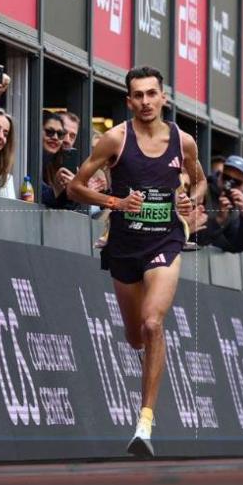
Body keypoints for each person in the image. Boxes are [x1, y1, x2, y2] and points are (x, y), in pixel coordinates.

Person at [67, 66, 204, 458]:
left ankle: (145, 422)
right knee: (133, 337)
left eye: (151, 94)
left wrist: (189, 199)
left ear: (164, 97)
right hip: (124, 246)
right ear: (129, 101)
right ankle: (146, 355)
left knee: (152, 323)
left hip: (166, 241)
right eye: (137, 96)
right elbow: (76, 187)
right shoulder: (115, 140)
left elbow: (200, 181)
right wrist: (115, 202)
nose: (145, 102)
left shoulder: (183, 141)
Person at [195, 155, 243, 253]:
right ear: (220, 175)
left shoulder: (236, 206)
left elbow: (241, 247)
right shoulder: (203, 192)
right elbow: (196, 238)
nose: (229, 184)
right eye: (226, 178)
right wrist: (219, 219)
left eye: (236, 182)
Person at [41, 112, 75, 209]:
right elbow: (38, 198)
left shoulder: (57, 164)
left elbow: (66, 207)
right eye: (49, 132)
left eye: (60, 134)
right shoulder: (26, 161)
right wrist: (56, 189)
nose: (55, 138)